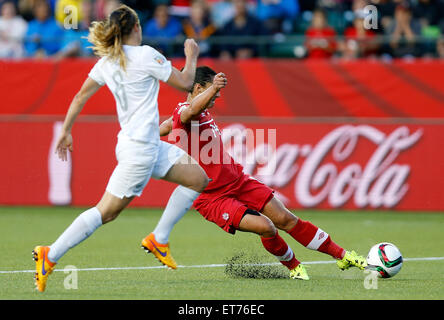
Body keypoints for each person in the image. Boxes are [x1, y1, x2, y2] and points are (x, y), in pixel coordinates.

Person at [32, 5, 209, 293]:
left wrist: (65, 131)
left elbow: (79, 96)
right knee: (107, 212)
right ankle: (49, 255)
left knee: (198, 179)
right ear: (136, 28)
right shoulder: (146, 55)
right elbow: (187, 82)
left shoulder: (108, 61)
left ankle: (159, 238)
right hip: (140, 151)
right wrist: (191, 54)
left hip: (143, 144)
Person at [145, 66, 368, 280]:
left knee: (285, 218)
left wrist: (147, 135)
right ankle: (294, 266)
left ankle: (343, 256)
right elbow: (188, 111)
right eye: (212, 89)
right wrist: (214, 88)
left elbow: (167, 125)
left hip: (238, 180)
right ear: (197, 89)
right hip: (212, 197)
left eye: (218, 91)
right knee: (266, 226)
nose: (217, 96)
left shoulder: (194, 114)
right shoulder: (187, 111)